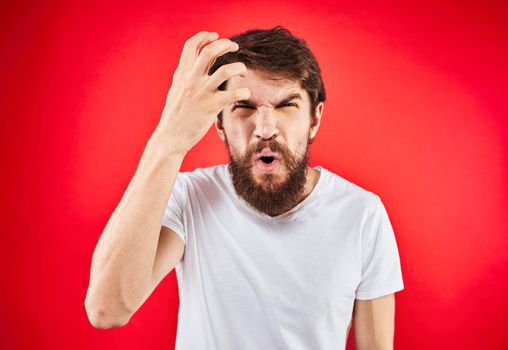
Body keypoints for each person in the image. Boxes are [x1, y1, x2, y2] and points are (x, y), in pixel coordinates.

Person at [85, 26, 405, 350]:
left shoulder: (363, 215)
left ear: (314, 119)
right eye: (244, 107)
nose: (265, 129)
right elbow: (106, 308)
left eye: (285, 106)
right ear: (220, 124)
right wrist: (169, 140)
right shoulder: (190, 198)